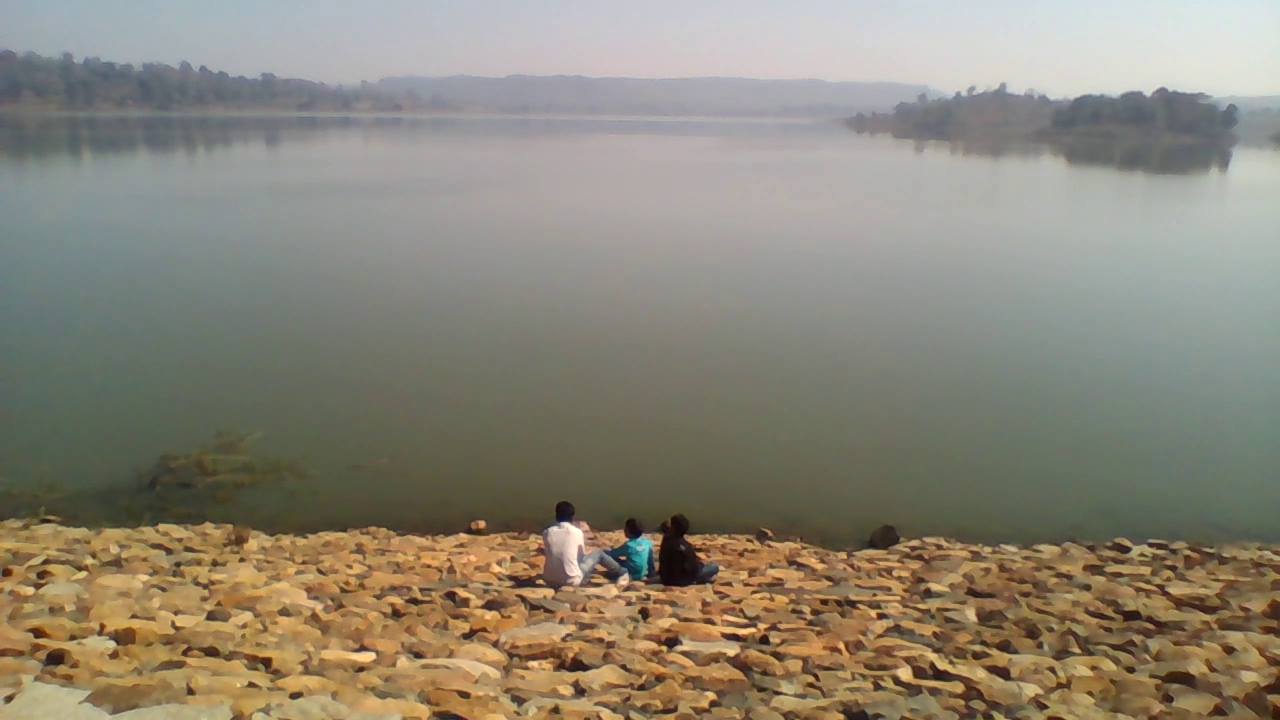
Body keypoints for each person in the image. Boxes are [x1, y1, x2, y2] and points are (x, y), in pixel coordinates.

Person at [542, 500, 629, 588]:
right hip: (571, 580)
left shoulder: (547, 532)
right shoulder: (576, 532)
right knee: (598, 553)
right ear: (572, 517)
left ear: (556, 515)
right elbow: (580, 557)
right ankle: (622, 572)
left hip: (549, 580)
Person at [658, 513, 719, 586]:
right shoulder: (686, 547)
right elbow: (693, 569)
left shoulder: (666, 540)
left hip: (665, 578)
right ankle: (699, 580)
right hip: (681, 580)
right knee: (714, 567)